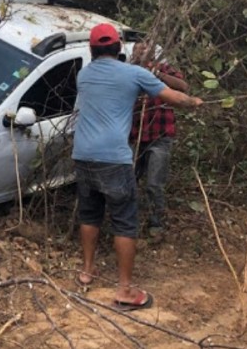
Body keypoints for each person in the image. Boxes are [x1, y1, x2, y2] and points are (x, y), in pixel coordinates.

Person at [72, 23, 202, 310]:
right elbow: (176, 98)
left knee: (90, 213)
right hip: (113, 158)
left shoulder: (84, 75)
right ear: (120, 48)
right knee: (124, 221)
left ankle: (87, 271)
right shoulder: (134, 73)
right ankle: (125, 290)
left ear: (92, 49)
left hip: (82, 155)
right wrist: (194, 102)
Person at [130, 41, 189, 239]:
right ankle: (131, 221)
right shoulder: (128, 72)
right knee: (130, 179)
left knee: (154, 183)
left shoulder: (164, 70)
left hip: (160, 136)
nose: (141, 51)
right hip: (134, 134)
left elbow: (183, 87)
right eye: (138, 48)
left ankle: (156, 222)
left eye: (145, 48)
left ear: (153, 52)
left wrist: (157, 75)